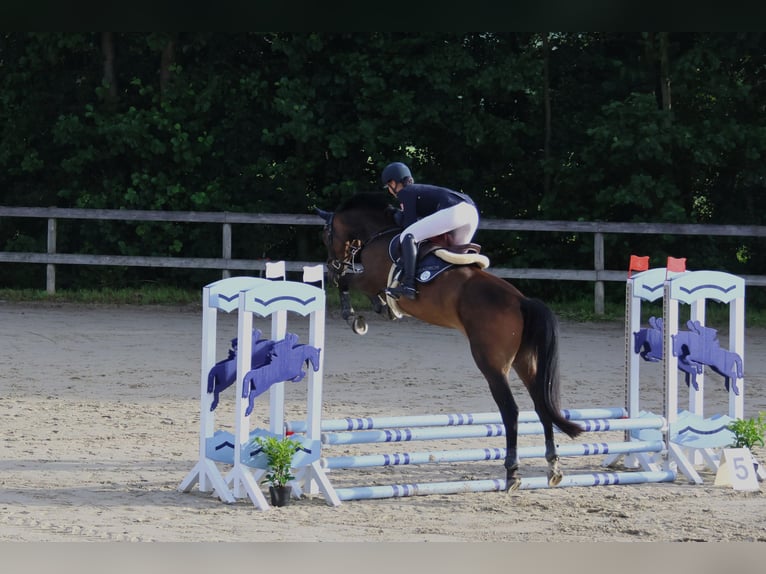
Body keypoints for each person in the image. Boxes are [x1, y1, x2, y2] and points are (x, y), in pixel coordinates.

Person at [380, 161, 479, 300]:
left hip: (455, 211)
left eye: (388, 186)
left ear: (393, 182)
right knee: (453, 258)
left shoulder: (405, 192)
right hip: (471, 213)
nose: (389, 191)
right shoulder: (418, 191)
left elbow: (409, 225)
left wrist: (397, 216)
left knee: (408, 236)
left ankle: (409, 285)